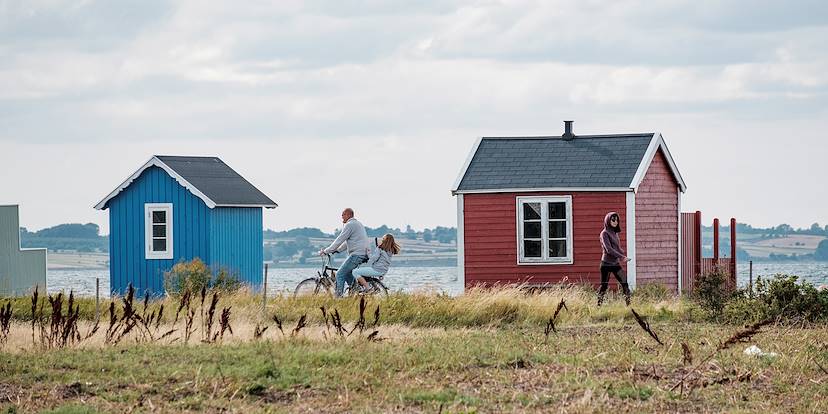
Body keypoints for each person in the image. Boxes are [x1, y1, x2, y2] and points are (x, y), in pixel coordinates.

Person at [319, 208, 370, 297]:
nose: (341, 217)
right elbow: (347, 242)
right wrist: (337, 250)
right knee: (346, 273)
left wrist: (327, 251)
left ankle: (338, 298)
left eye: (343, 214)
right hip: (362, 254)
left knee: (339, 274)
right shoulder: (357, 224)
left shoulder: (350, 224)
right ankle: (357, 291)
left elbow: (340, 239)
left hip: (356, 255)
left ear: (348, 215)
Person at [598, 212, 632, 306]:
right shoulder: (604, 233)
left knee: (624, 283)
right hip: (606, 264)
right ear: (608, 220)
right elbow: (609, 249)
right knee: (604, 286)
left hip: (615, 264)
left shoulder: (615, 233)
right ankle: (598, 305)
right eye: (613, 219)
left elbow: (616, 248)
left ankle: (629, 306)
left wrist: (622, 252)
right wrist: (622, 257)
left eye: (617, 220)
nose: (615, 222)